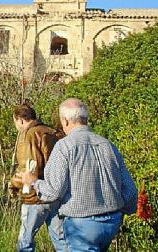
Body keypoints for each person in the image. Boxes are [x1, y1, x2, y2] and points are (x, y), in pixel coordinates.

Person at [20, 98, 138, 251]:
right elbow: (129, 190)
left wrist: (34, 182)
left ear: (66, 121)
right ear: (86, 119)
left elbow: (53, 191)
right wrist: (125, 211)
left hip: (82, 225)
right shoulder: (107, 145)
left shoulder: (65, 146)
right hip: (112, 222)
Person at [8, 103, 67, 252]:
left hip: (36, 196)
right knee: (62, 242)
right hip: (56, 193)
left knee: (25, 242)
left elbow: (28, 168)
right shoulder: (52, 132)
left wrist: (13, 184)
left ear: (20, 120)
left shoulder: (29, 134)